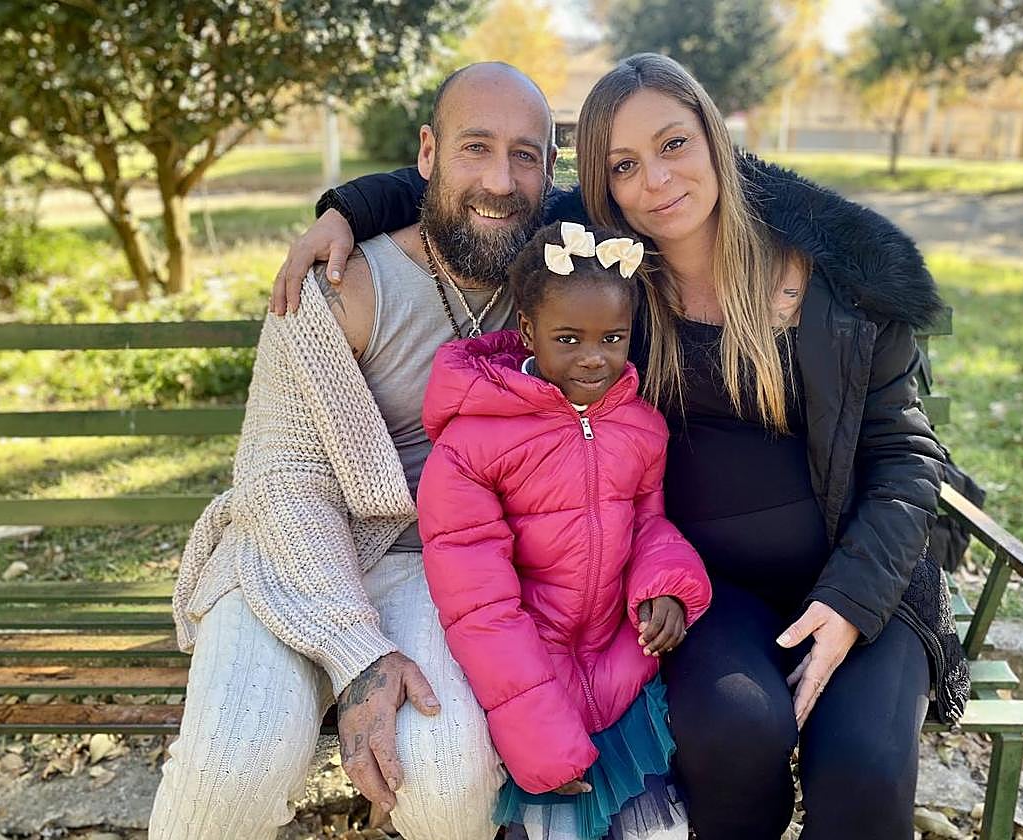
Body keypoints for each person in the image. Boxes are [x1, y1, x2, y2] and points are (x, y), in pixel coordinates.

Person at [275, 54, 969, 839]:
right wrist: (345, 208)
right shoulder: (615, 274)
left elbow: (907, 458)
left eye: (674, 145)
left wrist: (846, 605)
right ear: (604, 189)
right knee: (733, 730)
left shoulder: (840, 282)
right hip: (708, 590)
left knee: (863, 770)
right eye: (625, 166)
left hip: (861, 580)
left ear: (714, 141)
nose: (657, 182)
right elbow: (484, 188)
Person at [151, 62, 560, 840]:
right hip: (284, 548)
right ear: (428, 155)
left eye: (525, 155)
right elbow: (280, 479)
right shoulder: (339, 284)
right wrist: (357, 652)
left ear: (548, 172)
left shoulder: (558, 282)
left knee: (447, 783)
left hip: (441, 562)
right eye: (475, 147)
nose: (501, 180)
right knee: (232, 763)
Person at [418, 220, 713, 840]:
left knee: (656, 831)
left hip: (620, 666)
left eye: (613, 338)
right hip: (527, 684)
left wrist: (665, 585)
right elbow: (479, 604)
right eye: (569, 338)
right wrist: (537, 733)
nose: (593, 357)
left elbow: (650, 524)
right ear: (527, 331)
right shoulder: (473, 443)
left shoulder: (640, 424)